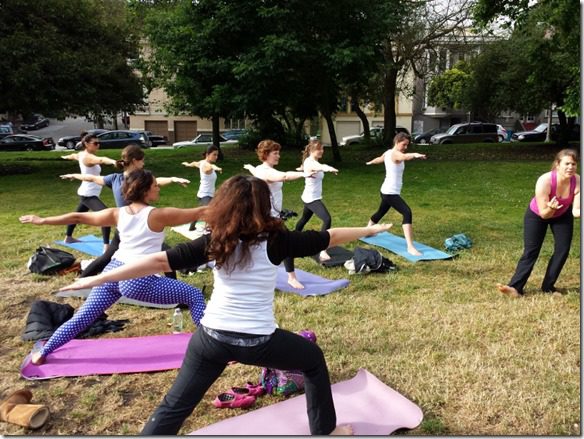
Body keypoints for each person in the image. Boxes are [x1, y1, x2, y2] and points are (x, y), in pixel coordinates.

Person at [59, 175, 393, 435]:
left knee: (175, 405)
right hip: (260, 342)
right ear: (264, 206)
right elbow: (331, 236)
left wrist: (97, 279)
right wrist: (369, 230)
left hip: (210, 340)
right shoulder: (278, 241)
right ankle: (326, 432)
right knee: (313, 362)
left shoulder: (215, 242)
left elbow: (156, 261)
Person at [20, 169, 207, 365]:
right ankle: (210, 345)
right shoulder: (159, 215)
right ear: (145, 191)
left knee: (84, 317)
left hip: (113, 272)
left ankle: (44, 352)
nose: (158, 188)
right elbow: (201, 212)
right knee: (193, 295)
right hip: (138, 278)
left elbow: (78, 217)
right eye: (155, 186)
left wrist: (42, 220)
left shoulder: (117, 213)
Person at [60, 144, 190, 278]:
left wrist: (173, 179)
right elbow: (91, 178)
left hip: (128, 227)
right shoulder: (138, 179)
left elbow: (92, 178)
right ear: (134, 161)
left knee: (109, 258)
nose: (143, 163)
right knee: (164, 257)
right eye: (142, 160)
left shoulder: (115, 178)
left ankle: (81, 281)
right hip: (138, 228)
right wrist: (75, 175)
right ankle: (176, 283)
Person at [497, 149, 580, 298]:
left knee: (563, 249)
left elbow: (576, 211)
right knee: (531, 251)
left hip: (562, 214)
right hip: (538, 214)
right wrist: (551, 208)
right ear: (557, 164)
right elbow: (544, 214)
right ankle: (515, 288)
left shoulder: (578, 181)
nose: (571, 167)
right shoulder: (545, 180)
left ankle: (548, 287)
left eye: (573, 164)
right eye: (567, 164)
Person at [243, 139, 311, 289]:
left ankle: (287, 276)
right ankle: (291, 278)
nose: (278, 156)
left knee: (268, 245)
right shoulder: (265, 171)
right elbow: (284, 176)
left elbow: (255, 171)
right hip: (265, 218)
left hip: (272, 216)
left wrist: (249, 167)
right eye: (275, 153)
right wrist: (303, 174)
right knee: (280, 244)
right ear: (266, 154)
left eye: (278, 152)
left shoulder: (261, 169)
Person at [365, 132, 426, 256]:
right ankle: (410, 246)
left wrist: (371, 162)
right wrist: (415, 155)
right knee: (407, 212)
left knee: (381, 212)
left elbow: (380, 159)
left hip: (386, 190)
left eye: (407, 145)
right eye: (404, 144)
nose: (405, 148)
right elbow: (404, 157)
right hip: (390, 193)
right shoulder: (395, 154)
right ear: (397, 142)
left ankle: (367, 230)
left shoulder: (387, 153)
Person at [60, 134, 118, 248]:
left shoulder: (82, 154)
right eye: (95, 143)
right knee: (106, 215)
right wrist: (113, 161)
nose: (98, 145)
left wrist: (66, 156)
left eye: (98, 143)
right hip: (88, 194)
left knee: (77, 215)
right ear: (86, 144)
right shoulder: (88, 158)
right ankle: (106, 247)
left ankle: (68, 237)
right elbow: (101, 159)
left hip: (87, 192)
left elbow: (74, 155)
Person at [294, 139, 339, 262]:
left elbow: (309, 166)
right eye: (320, 149)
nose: (322, 151)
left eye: (322, 149)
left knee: (304, 219)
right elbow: (320, 167)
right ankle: (322, 249)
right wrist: (330, 169)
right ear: (312, 150)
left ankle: (293, 238)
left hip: (311, 197)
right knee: (327, 219)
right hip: (311, 199)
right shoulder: (311, 163)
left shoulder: (310, 161)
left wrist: (301, 168)